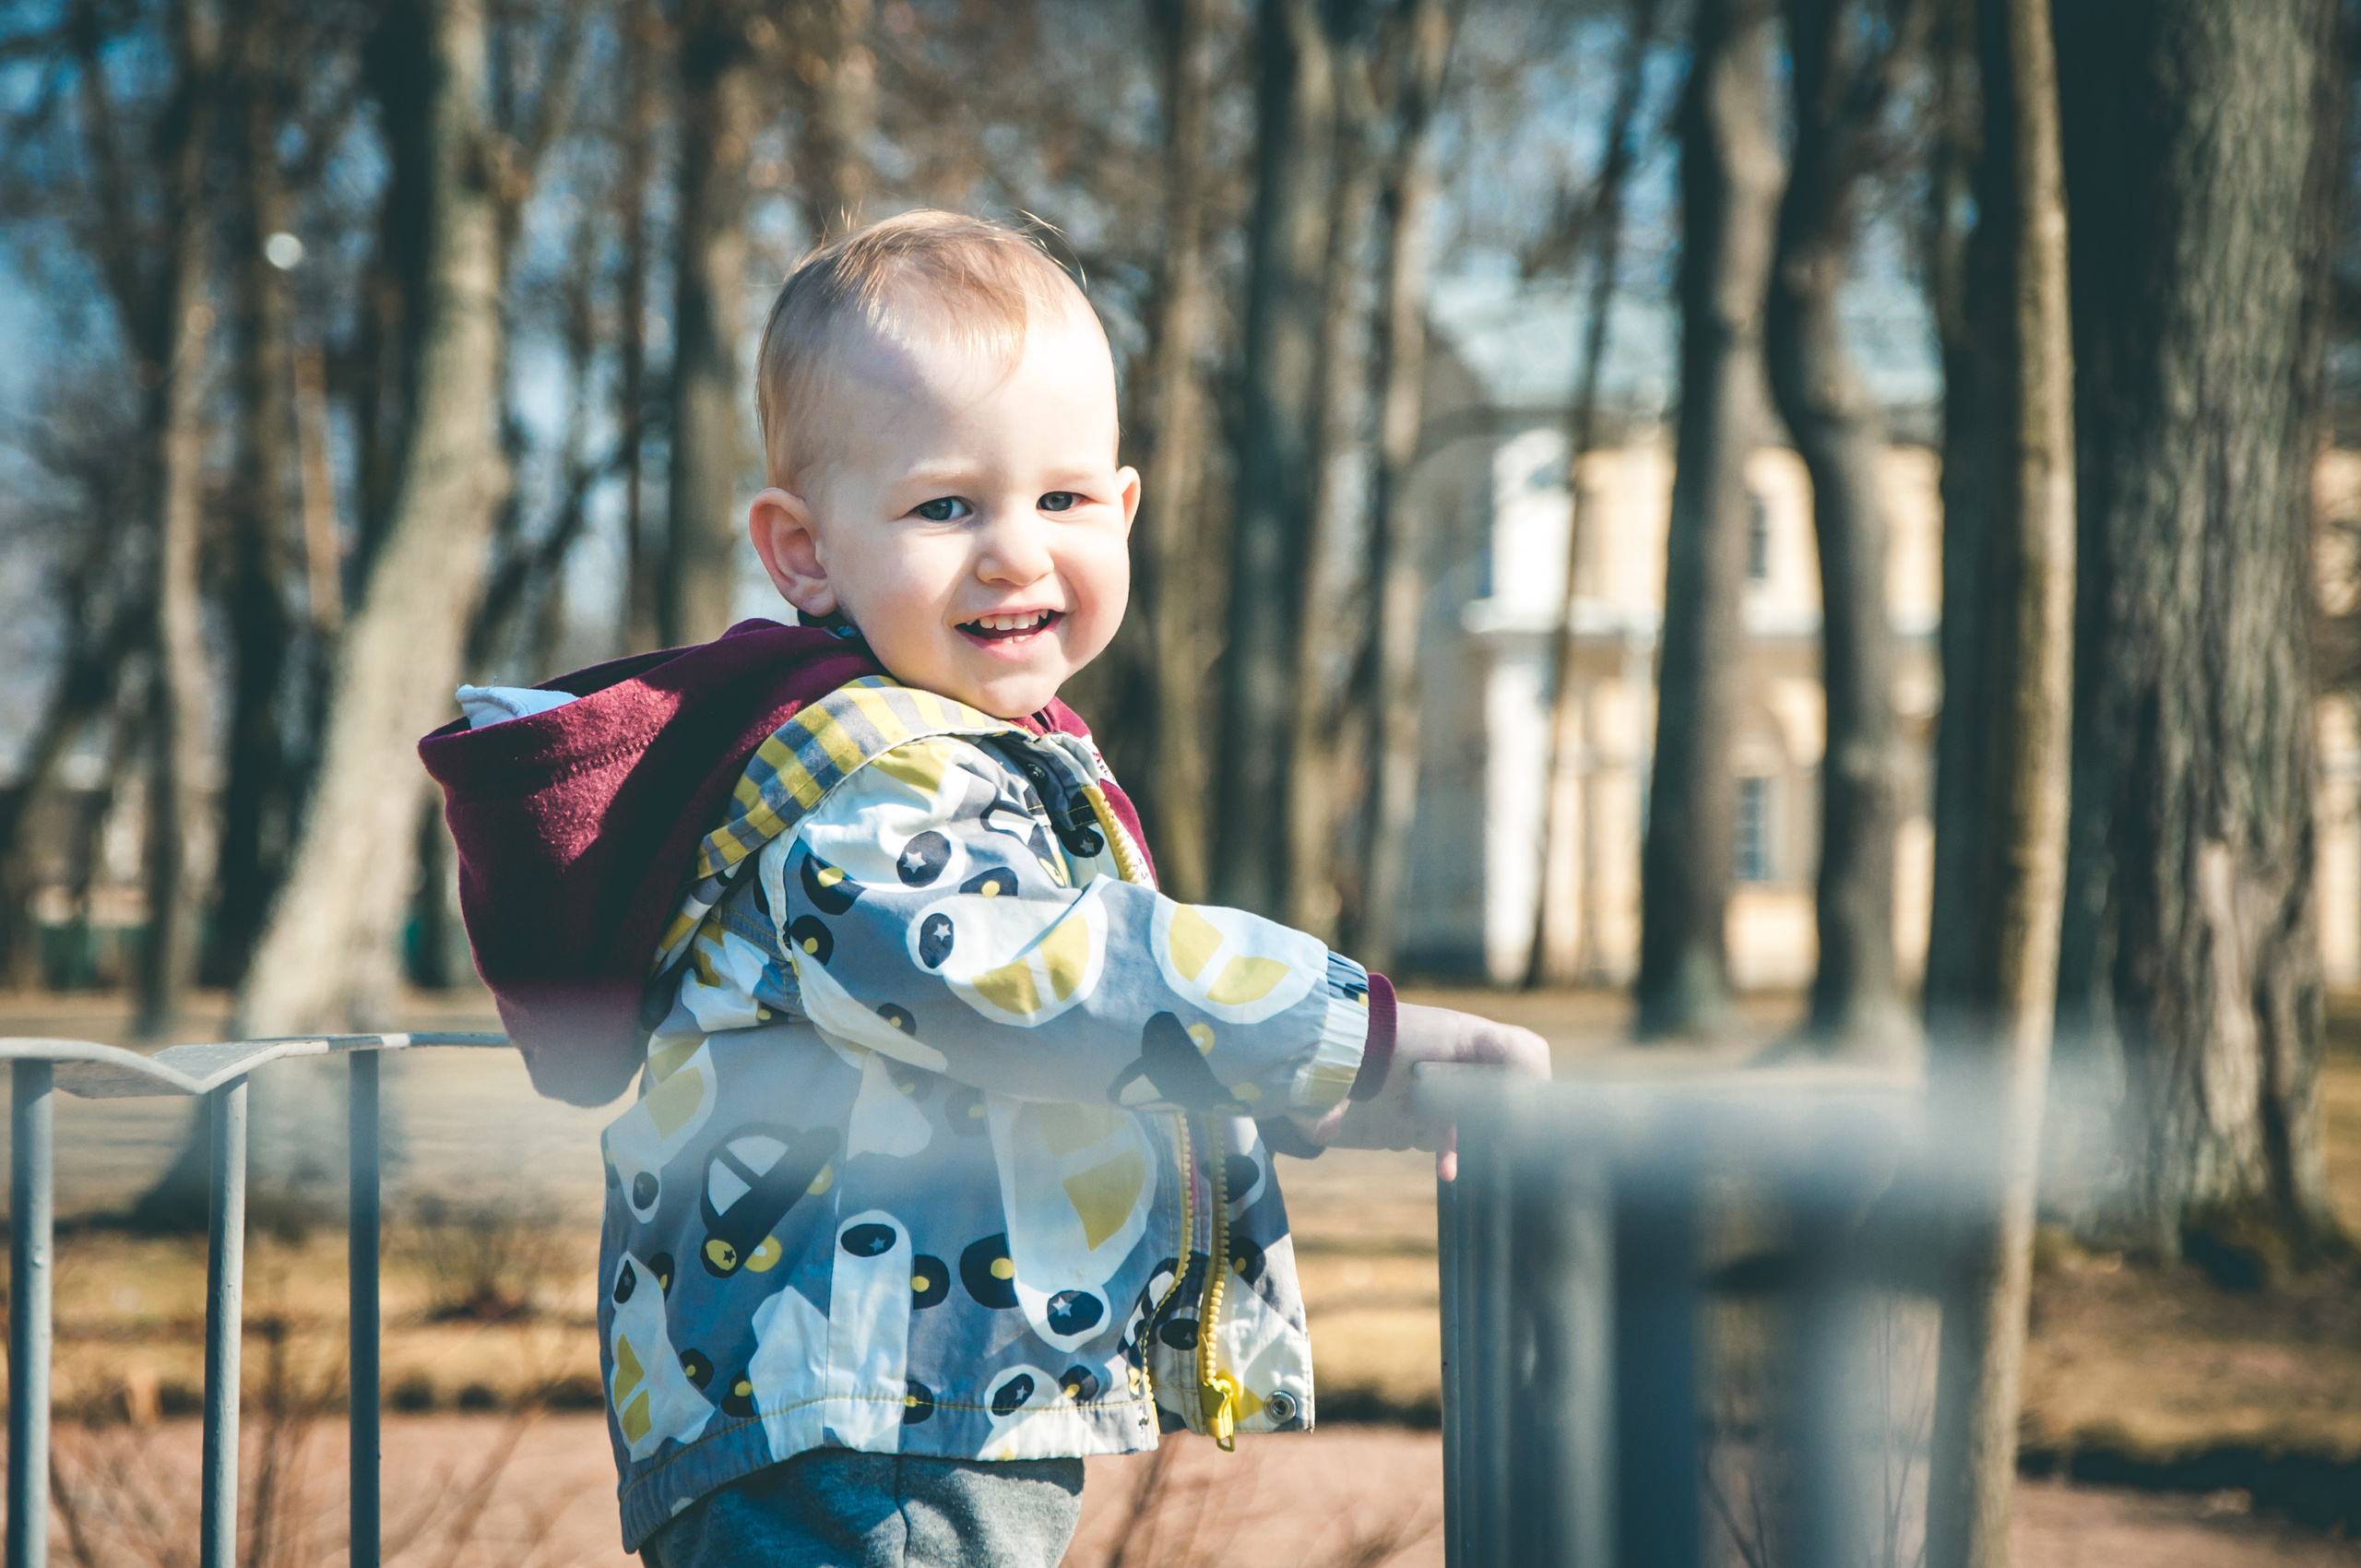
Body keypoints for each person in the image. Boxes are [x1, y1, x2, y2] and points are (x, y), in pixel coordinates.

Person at [421, 209, 1548, 1568]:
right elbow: (1043, 977)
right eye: (946, 505)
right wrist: (1347, 1037)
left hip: (896, 1398)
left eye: (1063, 500)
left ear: (1125, 510)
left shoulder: (961, 757)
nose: (1015, 551)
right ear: (805, 552)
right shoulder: (863, 783)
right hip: (863, 1422)